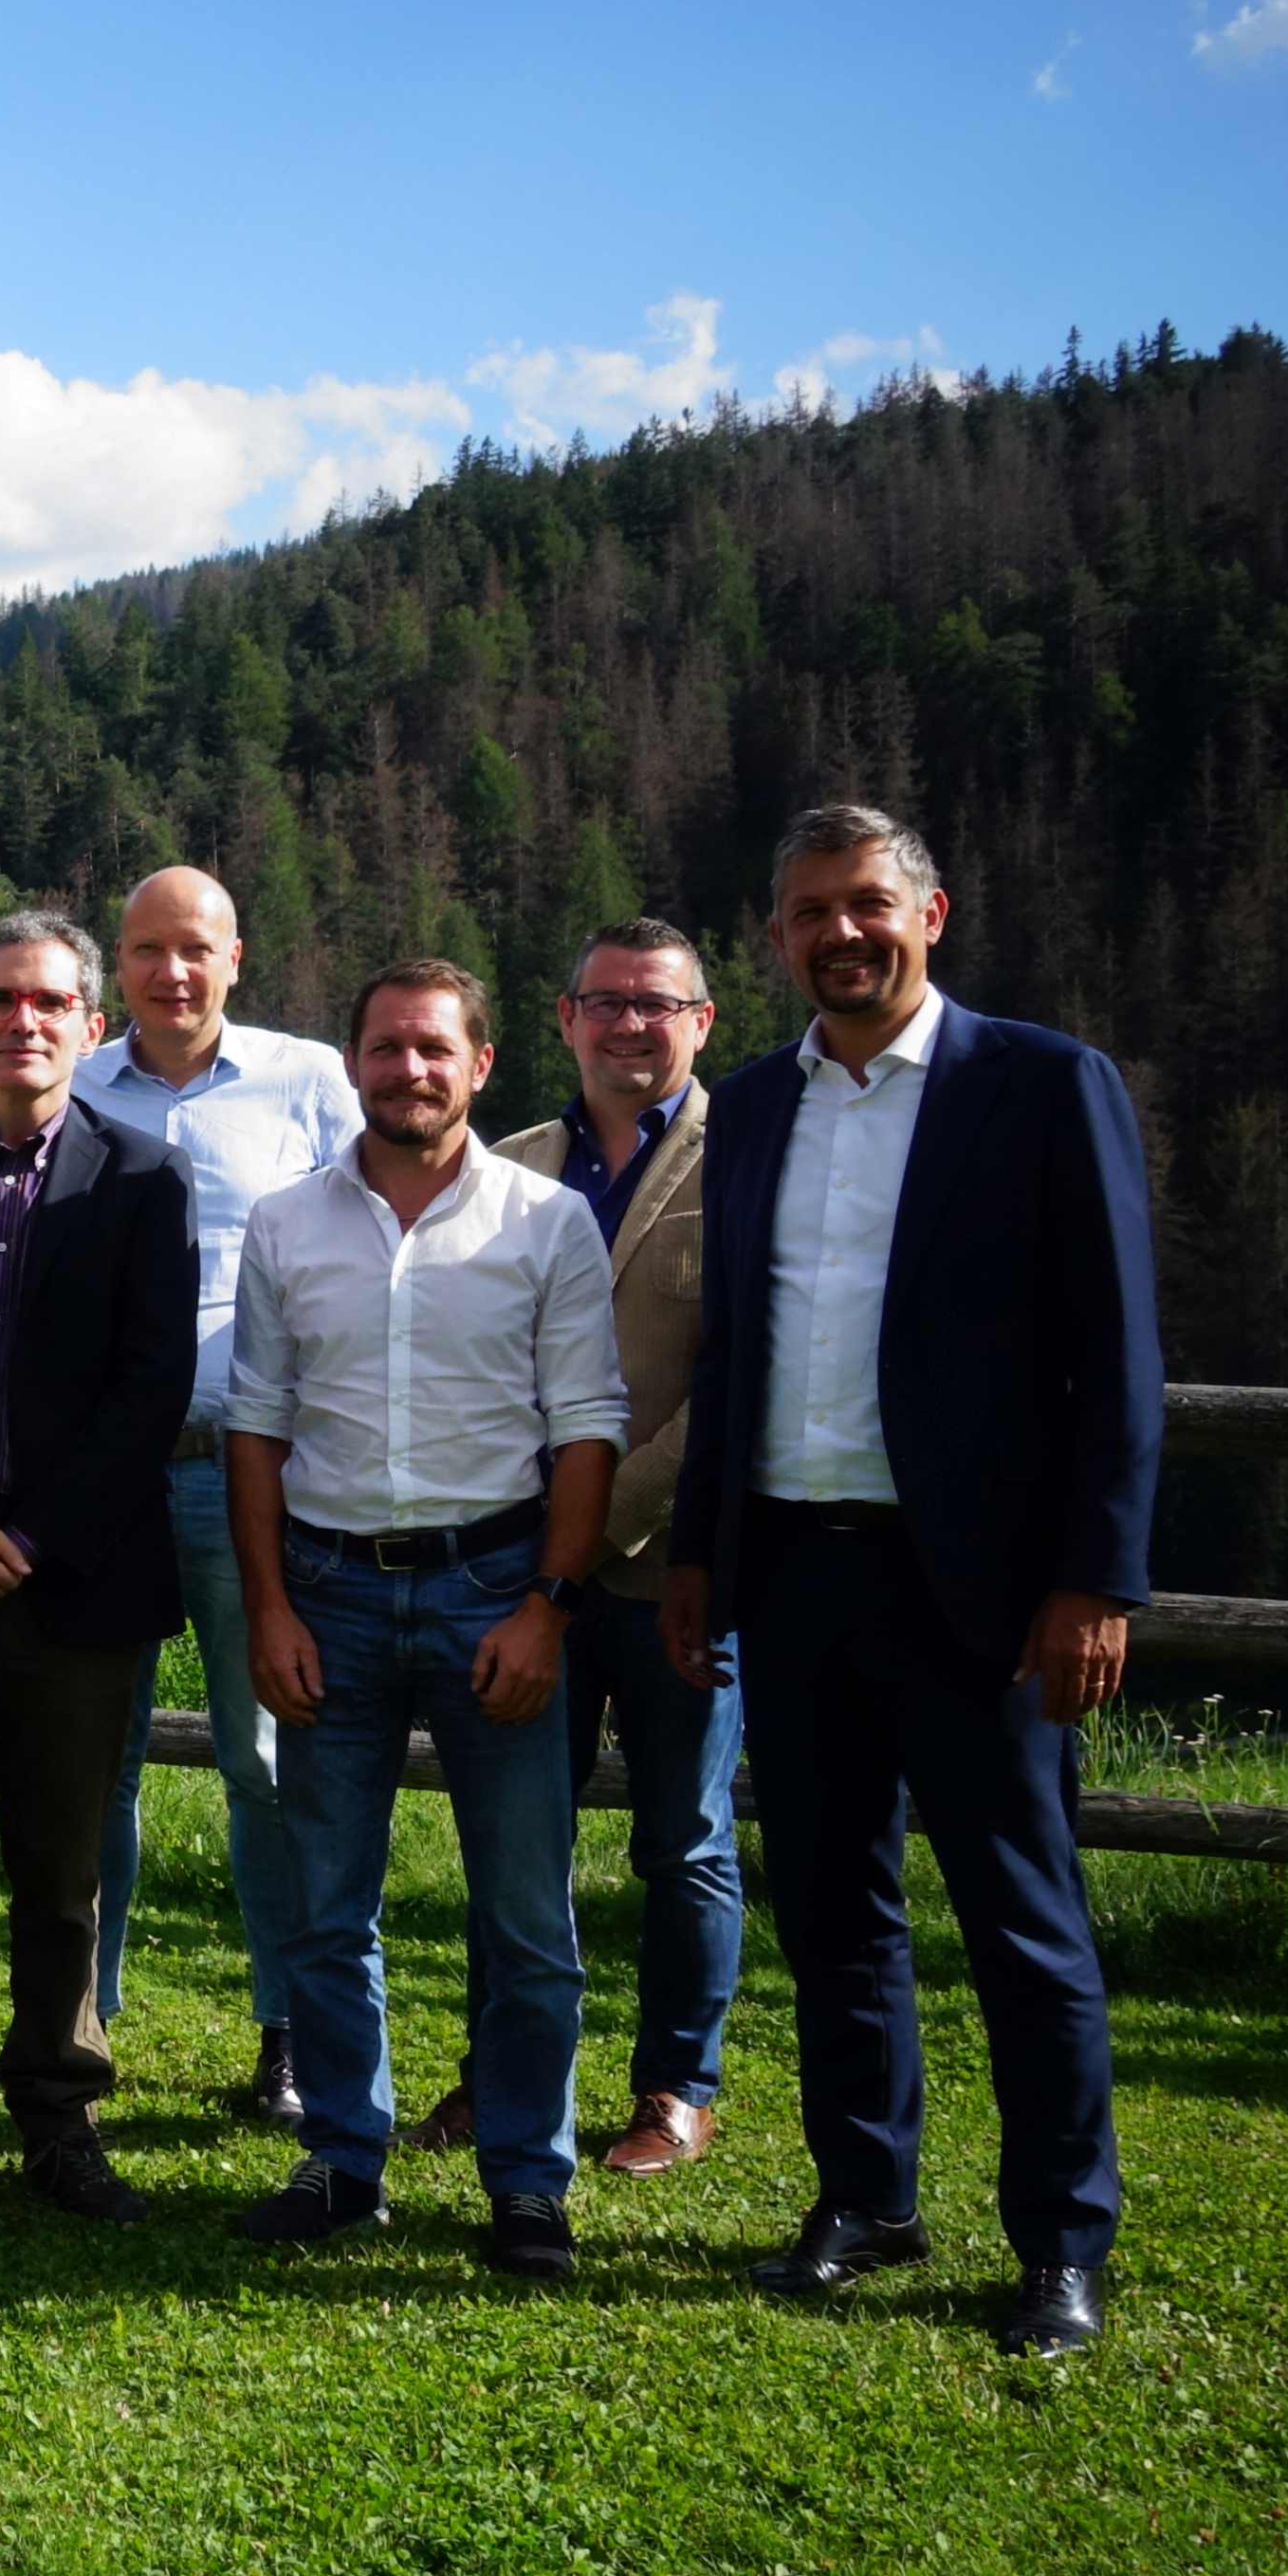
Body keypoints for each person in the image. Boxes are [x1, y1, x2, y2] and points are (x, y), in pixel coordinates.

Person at [671, 803, 1159, 2361]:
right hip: (793, 1572)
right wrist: (699, 1551)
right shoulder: (752, 1105)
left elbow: (1118, 1354)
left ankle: (1060, 2242)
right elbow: (730, 1348)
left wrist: (1095, 1577)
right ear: (776, 937)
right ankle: (866, 2195)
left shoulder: (1042, 1083)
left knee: (1023, 1922)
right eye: (810, 911)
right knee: (832, 1913)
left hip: (984, 1592)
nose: (841, 933)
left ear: (929, 915)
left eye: (867, 904)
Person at [222, 962, 627, 2280]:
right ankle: (346, 2160)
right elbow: (256, 1427)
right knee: (325, 1905)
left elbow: (588, 1430)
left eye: (435, 1049)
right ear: (352, 1062)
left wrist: (549, 1609)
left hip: (494, 1590)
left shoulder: (548, 1222)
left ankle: (527, 2182)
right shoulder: (287, 1224)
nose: (410, 1070)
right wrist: (268, 1607)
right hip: (329, 1594)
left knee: (525, 1916)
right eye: (387, 1047)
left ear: (482, 1062)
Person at [0, 913, 197, 2223]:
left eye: (51, 1002)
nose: (25, 1021)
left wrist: (35, 1536)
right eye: (1, 999)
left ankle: (59, 2114)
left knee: (63, 1874)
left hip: (79, 1581)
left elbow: (150, 1386)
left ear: (91, 1027)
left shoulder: (144, 1180)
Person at [441, 920, 738, 2177]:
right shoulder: (508, 1164)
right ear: (564, 1019)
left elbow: (736, 1384)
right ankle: (503, 2074)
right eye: (605, 1002)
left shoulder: (747, 1161)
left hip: (678, 1571)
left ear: (702, 1022)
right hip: (521, 1579)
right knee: (518, 1839)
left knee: (685, 1840)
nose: (629, 1024)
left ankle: (677, 2087)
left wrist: (599, 1518)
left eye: (656, 1004)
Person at [72, 864, 367, 2128]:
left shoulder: (307, 1082)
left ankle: (286, 2032)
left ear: (235, 957)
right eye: (147, 949)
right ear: (118, 963)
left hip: (253, 1473)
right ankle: (79, 2030)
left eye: (194, 948)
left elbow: (366, 1247)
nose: (172, 972)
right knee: (97, 1765)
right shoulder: (78, 1085)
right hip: (107, 1484)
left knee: (265, 1760)